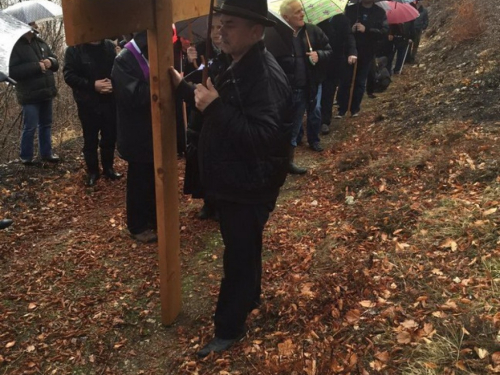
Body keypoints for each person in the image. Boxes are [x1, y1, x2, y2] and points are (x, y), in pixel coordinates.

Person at [170, 0, 292, 357]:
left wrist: (216, 109)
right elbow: (205, 95)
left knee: (237, 256)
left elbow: (264, 139)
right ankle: (249, 298)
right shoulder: (233, 62)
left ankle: (229, 328)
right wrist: (181, 87)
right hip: (235, 181)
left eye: (232, 24)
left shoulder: (264, 76)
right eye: (221, 22)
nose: (221, 30)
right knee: (246, 247)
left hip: (251, 185)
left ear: (256, 32)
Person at [111, 32, 157, 243]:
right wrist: (160, 82)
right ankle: (138, 225)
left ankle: (154, 219)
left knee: (153, 178)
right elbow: (133, 96)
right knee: (139, 180)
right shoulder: (124, 60)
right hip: (137, 133)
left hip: (154, 130)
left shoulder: (152, 54)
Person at [183, 12, 227, 220]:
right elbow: (187, 79)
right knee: (200, 159)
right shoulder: (200, 49)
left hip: (218, 110)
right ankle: (207, 202)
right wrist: (188, 60)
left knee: (218, 159)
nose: (217, 32)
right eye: (212, 28)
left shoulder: (228, 52)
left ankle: (220, 202)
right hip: (198, 114)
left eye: (220, 27)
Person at [277, 0, 332, 164]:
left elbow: (329, 50)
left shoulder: (312, 31)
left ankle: (313, 140)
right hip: (290, 88)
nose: (302, 14)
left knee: (315, 111)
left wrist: (319, 55)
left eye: (301, 10)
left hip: (311, 83)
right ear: (286, 17)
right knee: (293, 122)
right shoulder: (279, 36)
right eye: (297, 12)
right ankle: (289, 157)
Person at [63, 40, 123, 187]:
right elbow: (69, 76)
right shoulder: (74, 49)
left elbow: (117, 70)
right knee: (90, 139)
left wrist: (113, 84)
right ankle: (93, 171)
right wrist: (92, 85)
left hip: (109, 100)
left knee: (109, 135)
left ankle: (108, 168)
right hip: (87, 103)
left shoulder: (109, 46)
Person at [9, 22, 60, 165]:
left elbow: (55, 61)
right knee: (30, 126)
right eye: (33, 24)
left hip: (46, 91)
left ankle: (47, 153)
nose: (37, 25)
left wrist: (51, 61)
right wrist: (36, 66)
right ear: (25, 26)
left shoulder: (41, 42)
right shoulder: (16, 46)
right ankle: (26, 157)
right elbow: (13, 72)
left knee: (46, 124)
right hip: (29, 94)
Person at [335, 0, 388, 118]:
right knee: (345, 80)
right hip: (349, 51)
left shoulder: (379, 12)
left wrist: (367, 30)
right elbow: (343, 28)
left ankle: (355, 108)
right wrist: (351, 29)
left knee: (360, 81)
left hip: (367, 52)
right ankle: (342, 108)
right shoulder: (351, 9)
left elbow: (384, 31)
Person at [317, 13, 357, 134]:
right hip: (318, 60)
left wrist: (352, 52)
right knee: (315, 92)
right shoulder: (316, 20)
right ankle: (314, 118)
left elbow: (349, 37)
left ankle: (324, 121)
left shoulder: (342, 19)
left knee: (329, 91)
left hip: (335, 61)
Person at [408, 0, 429, 64]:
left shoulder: (424, 11)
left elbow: (426, 21)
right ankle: (407, 57)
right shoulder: (410, 9)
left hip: (418, 30)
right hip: (410, 29)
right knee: (409, 44)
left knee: (415, 44)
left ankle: (412, 58)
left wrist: (423, 27)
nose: (416, 3)